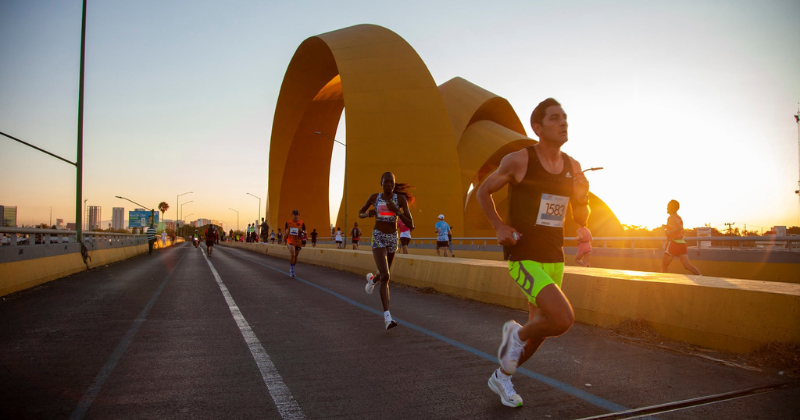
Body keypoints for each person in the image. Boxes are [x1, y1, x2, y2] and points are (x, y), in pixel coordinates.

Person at [476, 98, 590, 408]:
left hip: (555, 257)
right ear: (537, 128)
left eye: (564, 117)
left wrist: (581, 198)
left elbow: (580, 217)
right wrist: (499, 226)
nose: (563, 123)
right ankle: (515, 334)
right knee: (562, 318)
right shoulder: (519, 160)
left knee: (542, 329)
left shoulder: (573, 166)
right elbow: (482, 191)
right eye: (555, 119)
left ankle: (502, 377)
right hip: (524, 255)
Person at [359, 172, 415, 330]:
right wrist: (367, 214)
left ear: (394, 184)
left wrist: (397, 210)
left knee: (383, 273)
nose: (389, 185)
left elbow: (411, 223)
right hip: (378, 237)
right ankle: (387, 317)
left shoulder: (400, 199)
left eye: (392, 182)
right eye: (386, 182)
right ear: (381, 183)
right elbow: (360, 213)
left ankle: (372, 281)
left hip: (392, 239)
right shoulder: (374, 198)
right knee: (386, 275)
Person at [661, 200, 701, 275]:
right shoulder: (678, 217)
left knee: (664, 265)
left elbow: (678, 228)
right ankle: (701, 278)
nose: (666, 208)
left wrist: (668, 232)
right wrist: (667, 227)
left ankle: (664, 284)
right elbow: (678, 228)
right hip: (681, 243)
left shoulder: (671, 217)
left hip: (673, 243)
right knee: (687, 266)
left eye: (668, 206)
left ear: (671, 208)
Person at [285, 210, 306, 277]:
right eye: (294, 214)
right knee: (293, 254)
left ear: (299, 215)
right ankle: (292, 269)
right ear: (292, 215)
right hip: (290, 240)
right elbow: (285, 229)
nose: (296, 216)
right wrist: (285, 234)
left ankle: (292, 267)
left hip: (298, 241)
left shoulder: (301, 223)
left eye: (297, 214)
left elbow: (305, 232)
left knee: (296, 257)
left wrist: (301, 231)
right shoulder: (288, 222)